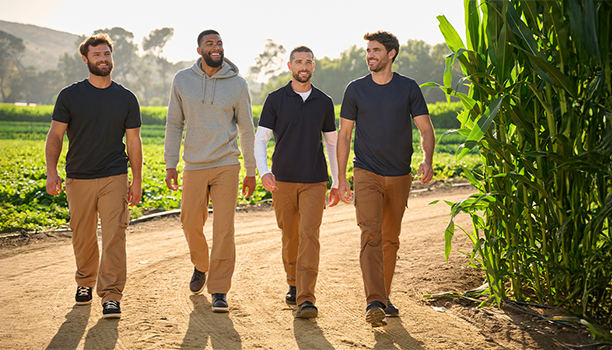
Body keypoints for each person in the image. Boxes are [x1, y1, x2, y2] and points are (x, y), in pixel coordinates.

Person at [333, 30, 435, 327]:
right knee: (370, 234)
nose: (370, 56)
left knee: (390, 239)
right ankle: (374, 300)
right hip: (366, 172)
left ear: (391, 54)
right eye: (368, 51)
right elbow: (344, 135)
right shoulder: (355, 89)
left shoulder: (408, 88)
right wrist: (341, 177)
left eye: (375, 51)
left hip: (400, 174)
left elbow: (425, 129)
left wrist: (427, 160)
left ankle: (384, 295)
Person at [44, 33, 142, 320]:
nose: (103, 59)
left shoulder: (126, 98)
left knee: (115, 235)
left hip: (114, 174)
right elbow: (55, 136)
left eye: (107, 54)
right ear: (85, 59)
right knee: (83, 234)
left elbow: (134, 142)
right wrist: (52, 172)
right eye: (97, 54)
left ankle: (111, 295)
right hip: (79, 176)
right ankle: (85, 282)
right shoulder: (70, 95)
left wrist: (136, 180)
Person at [164, 29, 257, 313]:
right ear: (199, 50)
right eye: (209, 43)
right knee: (189, 222)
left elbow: (246, 128)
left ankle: (219, 289)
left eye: (219, 43)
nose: (215, 47)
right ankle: (201, 265)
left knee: (224, 228)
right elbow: (173, 123)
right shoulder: (182, 80)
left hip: (227, 163)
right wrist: (170, 163)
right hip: (193, 163)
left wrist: (251, 170)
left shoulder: (238, 84)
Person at [254, 46, 340, 319]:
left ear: (313, 66)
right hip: (283, 181)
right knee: (290, 235)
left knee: (309, 236)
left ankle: (306, 298)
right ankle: (293, 282)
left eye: (308, 62)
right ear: (290, 66)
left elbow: (331, 143)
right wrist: (264, 170)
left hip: (315, 180)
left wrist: (337, 180)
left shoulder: (324, 101)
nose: (303, 66)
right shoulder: (275, 99)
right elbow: (261, 139)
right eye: (298, 62)